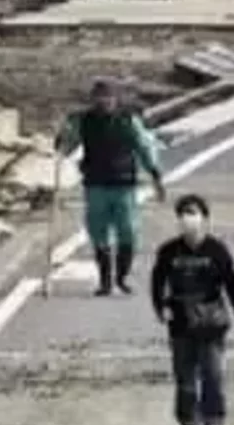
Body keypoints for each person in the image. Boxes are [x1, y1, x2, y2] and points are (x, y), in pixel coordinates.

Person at [150, 194, 234, 425]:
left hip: (210, 322)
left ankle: (214, 421)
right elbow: (157, 282)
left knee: (213, 373)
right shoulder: (169, 251)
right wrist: (160, 308)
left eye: (194, 212)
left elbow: (232, 284)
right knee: (184, 376)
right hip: (180, 321)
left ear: (205, 219)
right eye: (184, 213)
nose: (189, 218)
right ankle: (187, 423)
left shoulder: (216, 251)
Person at [57, 78, 165, 296]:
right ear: (94, 99)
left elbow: (144, 147)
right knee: (98, 232)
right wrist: (61, 140)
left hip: (123, 184)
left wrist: (155, 174)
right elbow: (68, 145)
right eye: (100, 96)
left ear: (116, 99)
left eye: (108, 96)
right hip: (95, 184)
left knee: (128, 231)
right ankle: (105, 281)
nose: (104, 101)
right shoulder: (83, 121)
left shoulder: (128, 121)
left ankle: (121, 277)